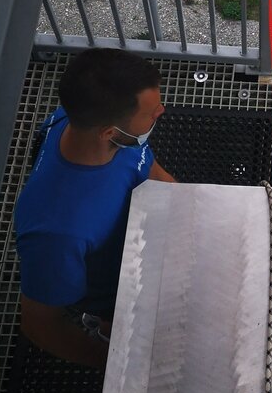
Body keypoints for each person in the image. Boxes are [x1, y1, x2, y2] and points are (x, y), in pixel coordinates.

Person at [14, 49, 176, 366]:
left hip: (141, 238)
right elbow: (41, 324)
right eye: (152, 113)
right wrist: (117, 364)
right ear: (109, 133)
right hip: (117, 289)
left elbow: (150, 169)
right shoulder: (57, 233)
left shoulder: (80, 122)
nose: (162, 112)